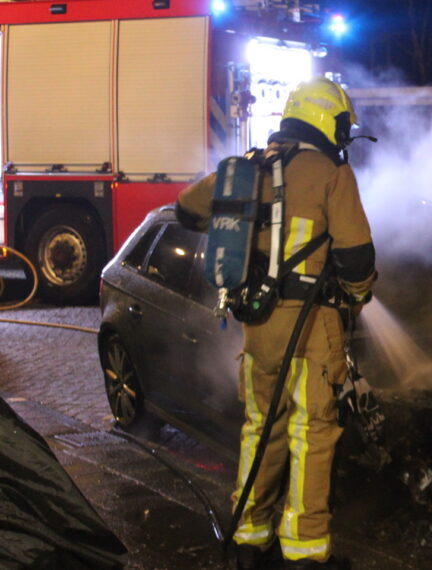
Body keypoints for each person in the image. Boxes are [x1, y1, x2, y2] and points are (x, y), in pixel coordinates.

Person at [176, 77, 376, 569]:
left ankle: (249, 536)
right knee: (313, 434)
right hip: (313, 329)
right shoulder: (331, 173)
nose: (344, 136)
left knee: (260, 428)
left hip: (257, 327)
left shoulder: (246, 167)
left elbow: (184, 210)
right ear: (328, 121)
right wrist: (356, 300)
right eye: (343, 126)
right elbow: (356, 259)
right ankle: (304, 553)